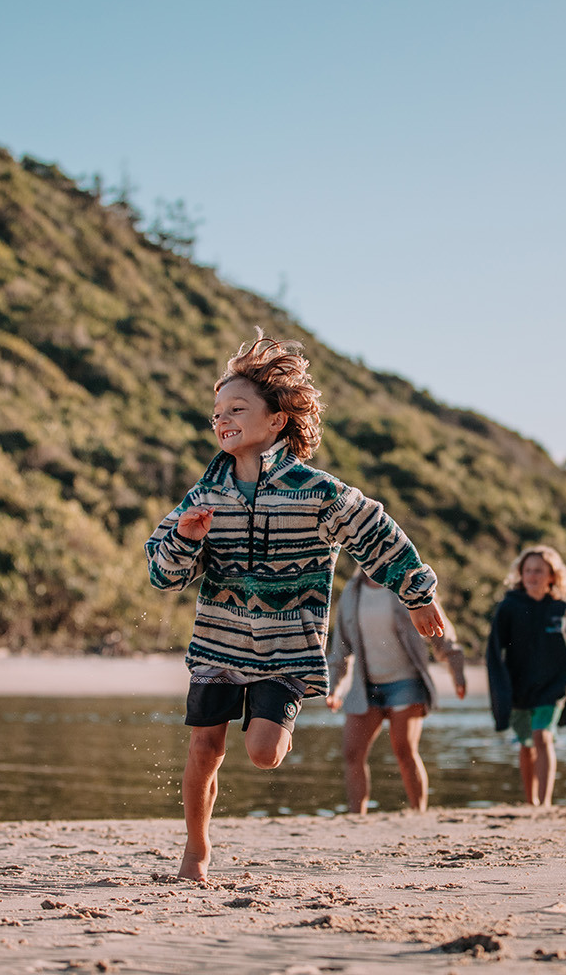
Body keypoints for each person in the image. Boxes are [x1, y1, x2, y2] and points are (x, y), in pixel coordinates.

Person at [145, 329, 449, 881]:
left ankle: (270, 726)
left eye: (237, 408)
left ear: (276, 420)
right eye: (217, 412)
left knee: (263, 752)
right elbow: (162, 575)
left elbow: (377, 533)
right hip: (218, 644)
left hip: (288, 653)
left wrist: (417, 594)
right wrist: (186, 539)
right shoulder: (205, 494)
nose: (223, 419)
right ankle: (195, 849)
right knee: (204, 748)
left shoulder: (318, 492)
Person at [326, 571, 467, 813]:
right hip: (365, 685)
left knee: (404, 751)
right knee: (352, 752)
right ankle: (356, 816)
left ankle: (417, 812)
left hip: (406, 683)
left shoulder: (411, 585)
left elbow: (440, 630)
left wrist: (457, 671)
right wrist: (334, 688)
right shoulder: (352, 590)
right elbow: (341, 644)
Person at [486, 544, 566, 807]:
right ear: (520, 573)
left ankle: (545, 802)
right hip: (518, 687)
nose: (532, 576)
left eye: (539, 571)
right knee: (526, 744)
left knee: (542, 736)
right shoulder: (509, 606)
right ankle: (531, 803)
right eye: (527, 570)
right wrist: (500, 691)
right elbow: (494, 651)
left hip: (552, 687)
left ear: (552, 575)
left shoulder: (561, 607)